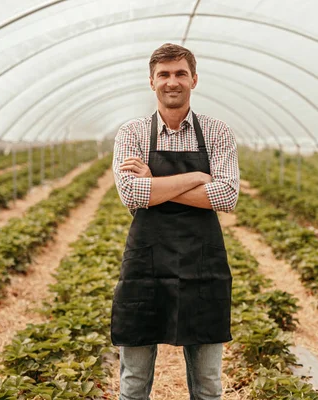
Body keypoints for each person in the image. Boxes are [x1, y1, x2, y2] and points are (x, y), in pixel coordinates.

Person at [111, 43, 240, 400]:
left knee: (209, 385)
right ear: (151, 82)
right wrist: (199, 177)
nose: (173, 81)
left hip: (203, 264)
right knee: (133, 382)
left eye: (180, 73)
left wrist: (155, 183)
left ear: (194, 79)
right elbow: (132, 195)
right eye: (164, 75)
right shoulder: (132, 133)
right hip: (146, 264)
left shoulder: (217, 132)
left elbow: (226, 196)